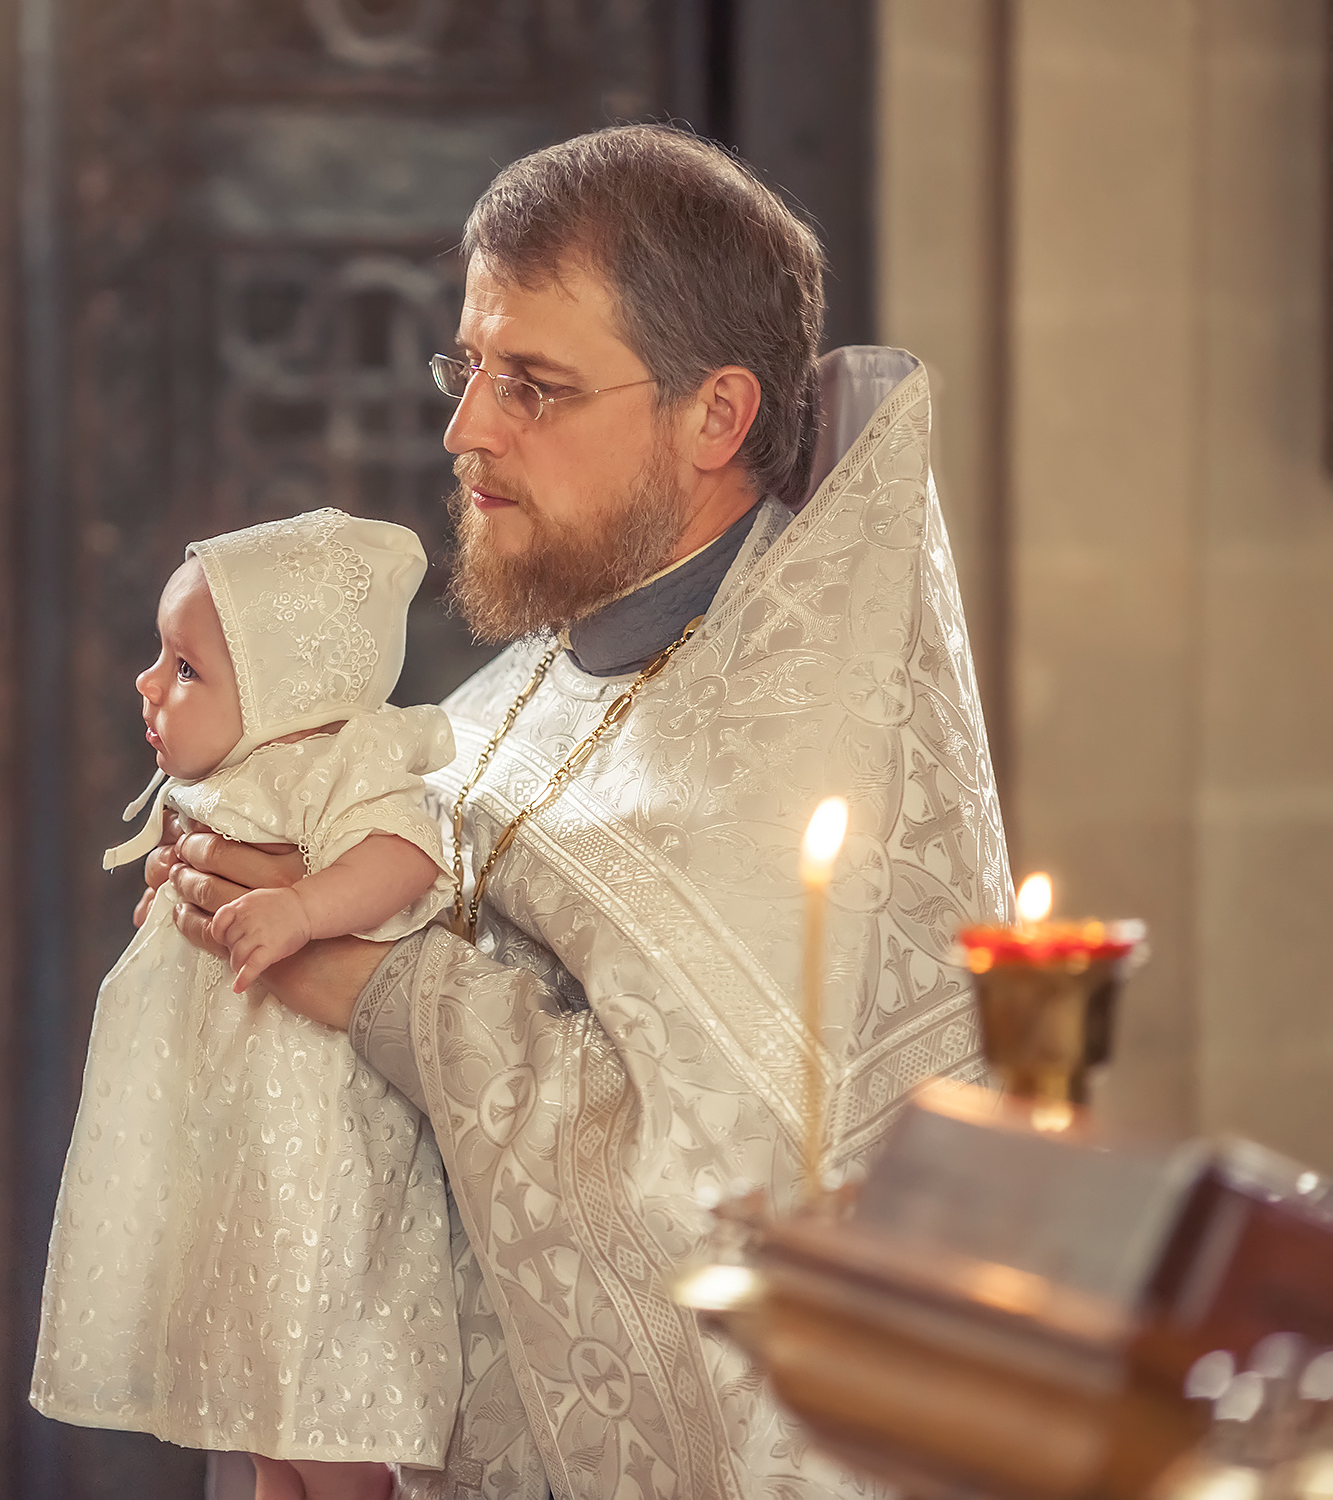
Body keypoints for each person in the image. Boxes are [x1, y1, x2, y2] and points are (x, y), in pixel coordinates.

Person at [147, 125, 1009, 1500]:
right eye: (468, 365)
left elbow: (708, 1208)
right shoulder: (530, 675)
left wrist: (364, 985)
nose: (464, 429)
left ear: (713, 416)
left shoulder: (809, 755)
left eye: (533, 386)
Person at [32, 510, 468, 1500]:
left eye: (185, 668)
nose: (149, 683)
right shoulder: (233, 779)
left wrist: (304, 906)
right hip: (231, 1127)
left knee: (320, 1372)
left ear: (287, 692)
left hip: (312, 1129)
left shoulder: (341, 760)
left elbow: (405, 854)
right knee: (257, 1391)